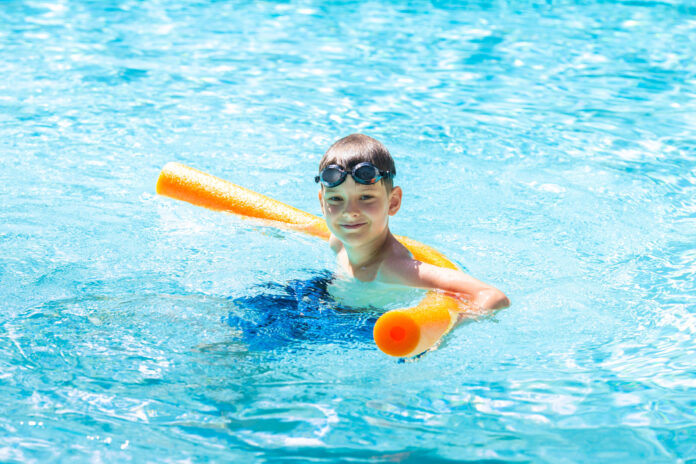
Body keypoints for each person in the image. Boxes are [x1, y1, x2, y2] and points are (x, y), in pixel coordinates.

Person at [316, 133, 510, 311]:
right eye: (336, 199)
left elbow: (493, 296)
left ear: (393, 202)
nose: (350, 212)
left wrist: (437, 327)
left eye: (366, 197)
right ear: (322, 204)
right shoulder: (339, 243)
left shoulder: (395, 269)